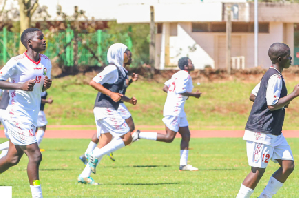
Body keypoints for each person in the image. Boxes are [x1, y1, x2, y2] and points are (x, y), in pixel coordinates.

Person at [236, 43, 299, 198]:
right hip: (261, 131)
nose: (290, 58)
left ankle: (265, 196)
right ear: (280, 58)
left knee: (288, 165)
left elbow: (253, 95)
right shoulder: (275, 77)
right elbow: (271, 105)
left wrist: (281, 101)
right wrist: (293, 94)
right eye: (288, 55)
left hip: (274, 132)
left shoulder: (270, 74)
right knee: (257, 171)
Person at [0, 28, 52, 198]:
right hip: (15, 113)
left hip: (31, 115)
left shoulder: (46, 62)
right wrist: (19, 86)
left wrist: (46, 85)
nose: (44, 40)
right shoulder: (17, 62)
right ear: (30, 42)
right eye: (40, 38)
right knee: (35, 155)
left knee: (12, 158)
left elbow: (42, 86)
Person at [77, 43, 137, 185]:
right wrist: (110, 93)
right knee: (127, 137)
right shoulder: (112, 68)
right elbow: (94, 82)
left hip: (106, 108)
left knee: (105, 140)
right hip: (105, 109)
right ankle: (94, 155)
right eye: (126, 51)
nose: (129, 54)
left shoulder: (122, 71)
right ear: (119, 53)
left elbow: (117, 93)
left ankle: (84, 175)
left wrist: (128, 100)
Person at [132, 57, 201, 171]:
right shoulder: (185, 75)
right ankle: (139, 134)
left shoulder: (177, 75)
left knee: (186, 135)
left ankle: (183, 165)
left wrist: (174, 96)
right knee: (169, 138)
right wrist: (194, 95)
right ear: (185, 66)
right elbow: (180, 91)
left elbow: (165, 87)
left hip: (178, 109)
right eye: (190, 62)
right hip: (174, 109)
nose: (192, 63)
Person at [79, 64, 138, 164]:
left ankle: (88, 156)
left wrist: (131, 83)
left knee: (104, 132)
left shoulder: (123, 71)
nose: (130, 56)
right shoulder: (114, 69)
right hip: (113, 103)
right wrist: (113, 94)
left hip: (115, 102)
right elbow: (96, 83)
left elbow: (123, 86)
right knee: (129, 129)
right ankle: (102, 150)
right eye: (127, 53)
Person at [0, 90, 10, 158]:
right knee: (15, 140)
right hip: (6, 112)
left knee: (11, 139)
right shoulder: (12, 84)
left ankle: (1, 158)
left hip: (3, 110)